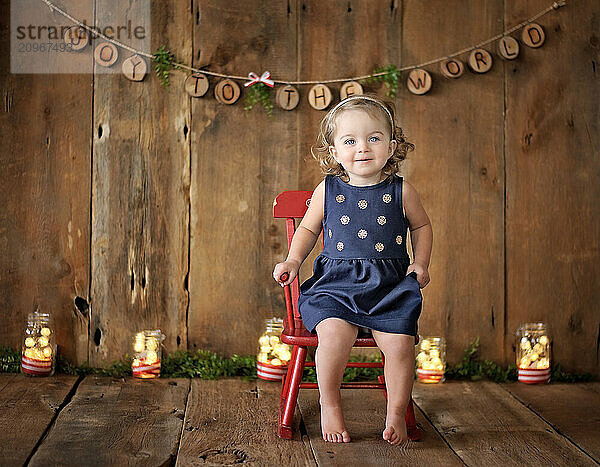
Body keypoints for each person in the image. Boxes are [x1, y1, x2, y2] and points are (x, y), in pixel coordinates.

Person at [272, 94, 433, 446]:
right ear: (333, 151)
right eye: (350, 140)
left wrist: (419, 264)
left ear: (391, 147)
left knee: (401, 344)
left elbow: (422, 227)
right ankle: (330, 403)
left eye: (373, 138)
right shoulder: (327, 189)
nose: (363, 148)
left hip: (390, 289)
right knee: (332, 337)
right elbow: (308, 230)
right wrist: (294, 260)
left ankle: (395, 413)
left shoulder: (402, 191)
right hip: (336, 287)